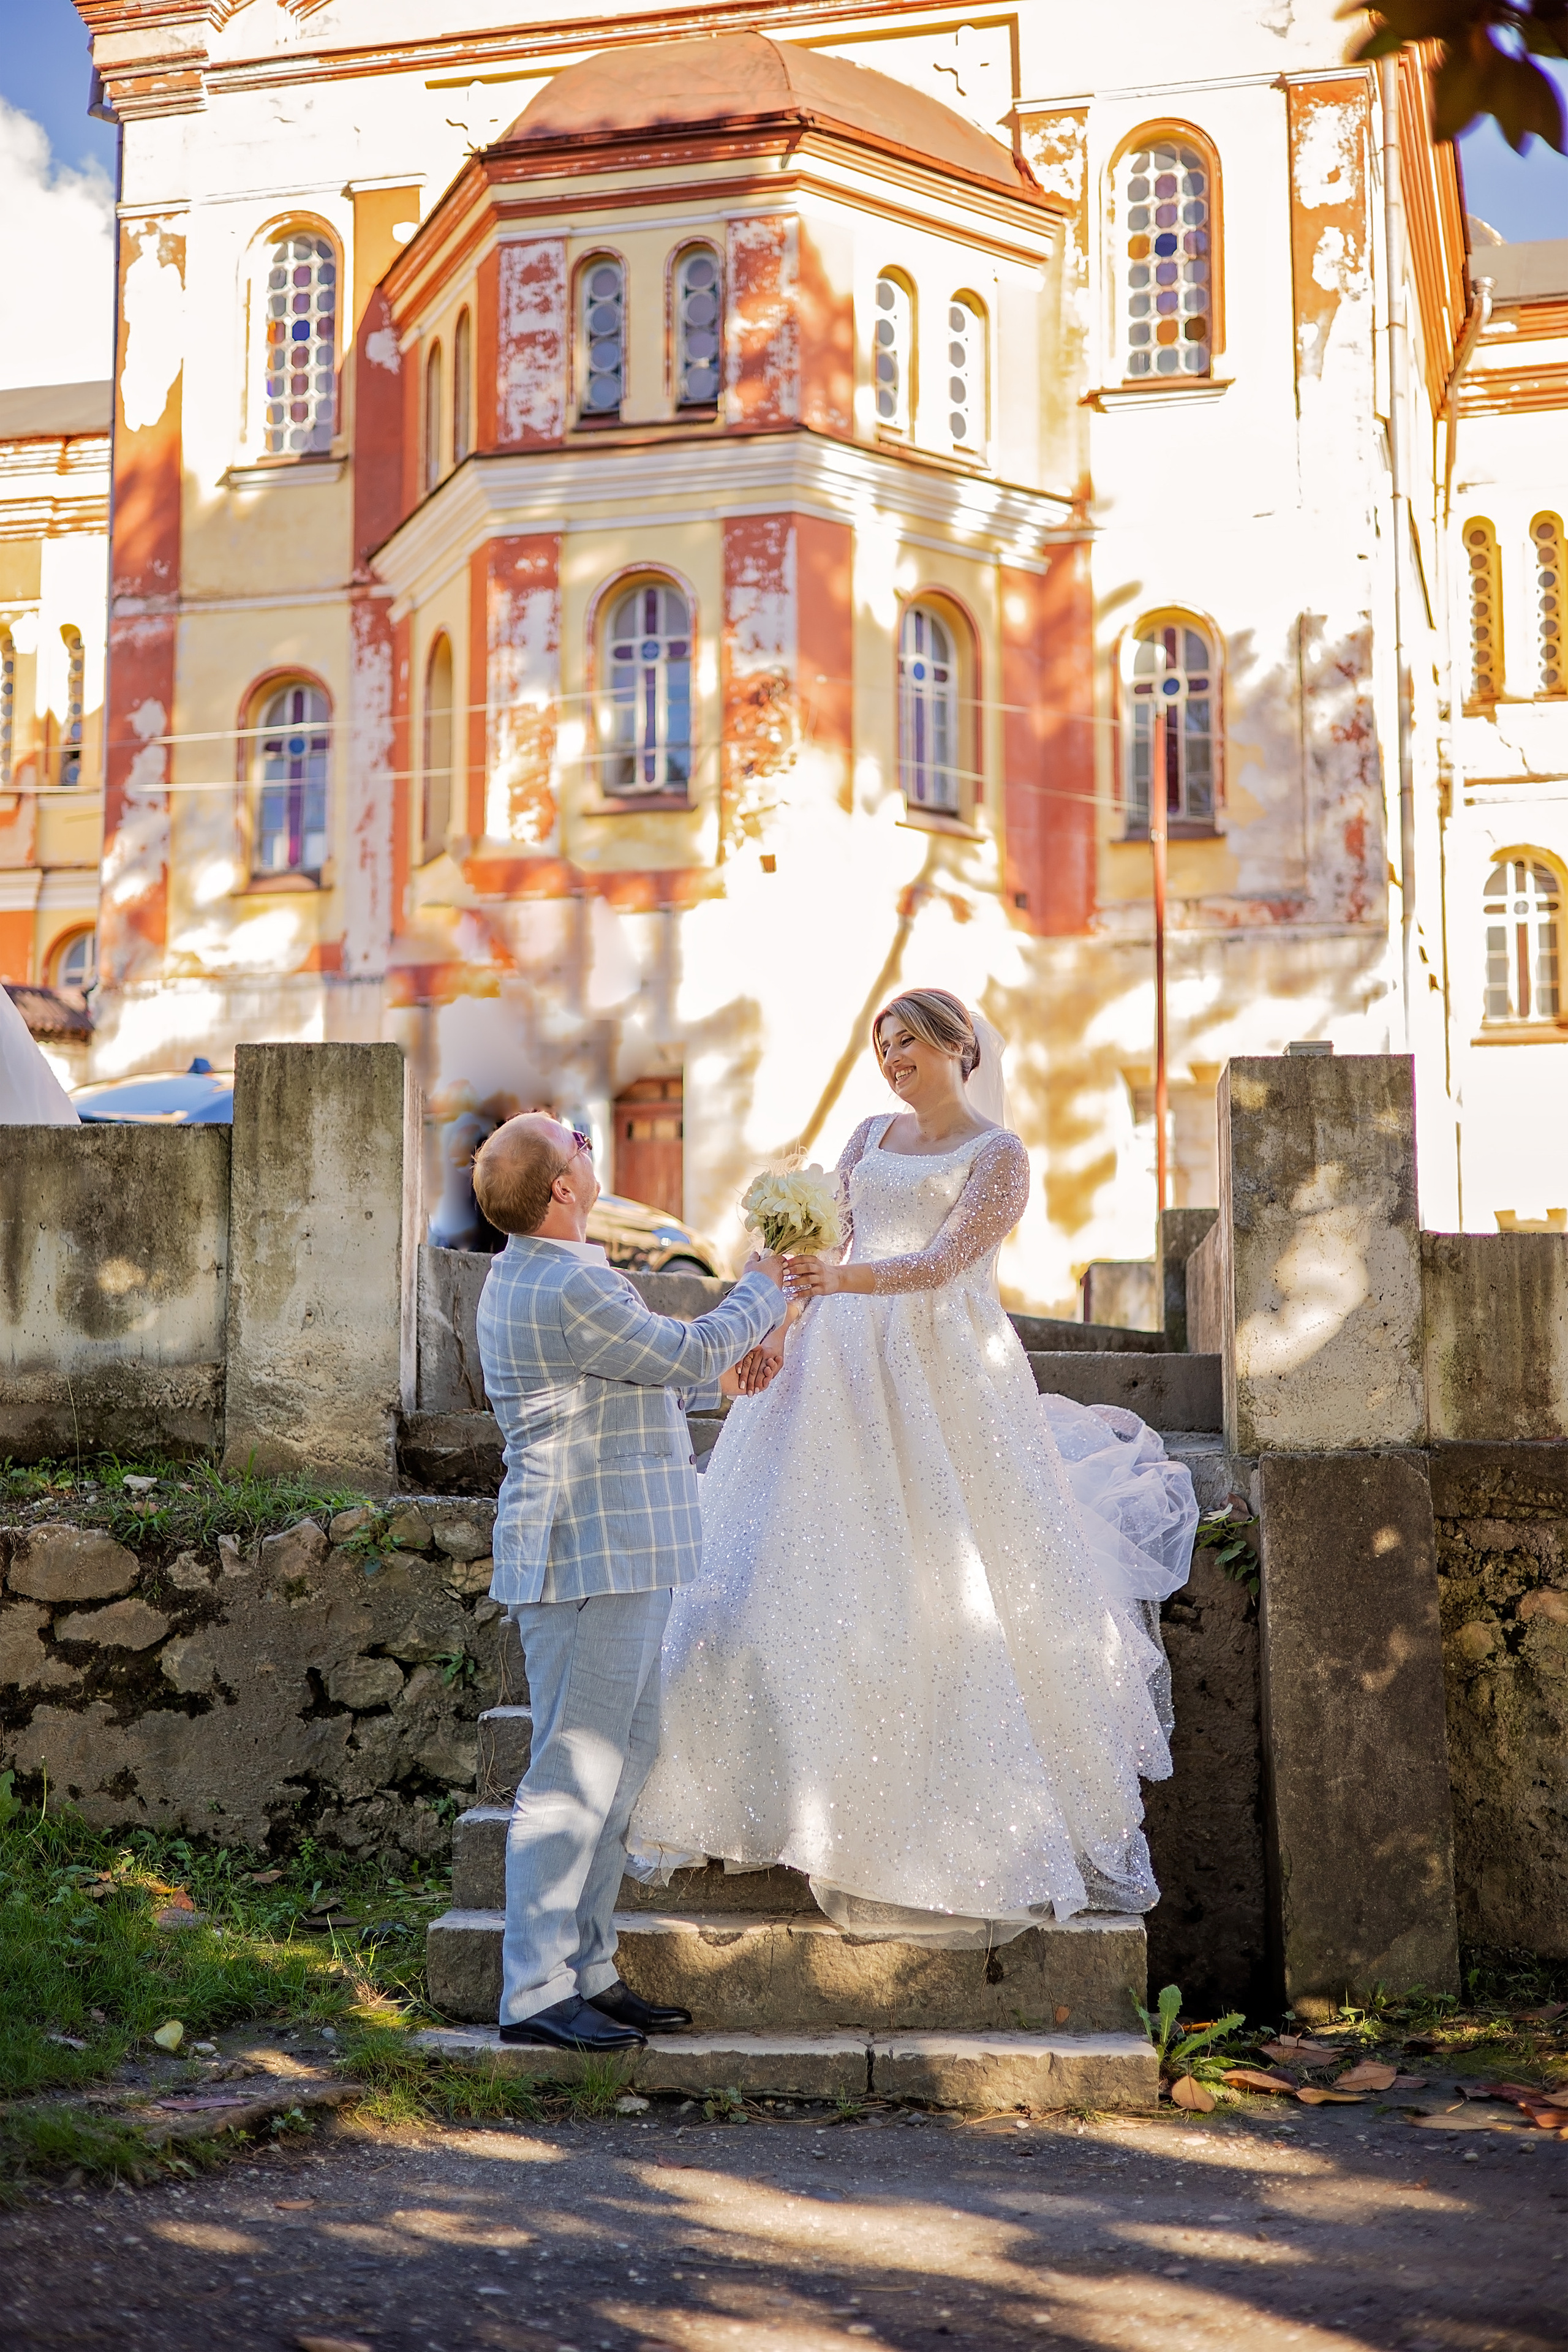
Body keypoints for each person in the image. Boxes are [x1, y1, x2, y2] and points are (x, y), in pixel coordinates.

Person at [631, 990, 1197, 1943]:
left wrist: (838, 1280)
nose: (892, 1059)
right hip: (838, 1360)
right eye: (882, 1045)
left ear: (957, 1047)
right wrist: (779, 1328)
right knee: (791, 1555)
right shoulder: (866, 1135)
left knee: (941, 1567)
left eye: (907, 1043)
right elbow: (827, 1245)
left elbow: (941, 1263)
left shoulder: (1001, 1157)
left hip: (942, 1371)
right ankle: (756, 1786)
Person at [472, 1110, 786, 2051]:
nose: (585, 1141)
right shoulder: (563, 1280)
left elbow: (627, 1379)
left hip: (621, 1546)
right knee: (574, 1772)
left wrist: (714, 1381)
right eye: (573, 1139)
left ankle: (590, 1971)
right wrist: (763, 1288)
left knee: (624, 1761)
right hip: (586, 1551)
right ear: (564, 1187)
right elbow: (681, 1350)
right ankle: (532, 1994)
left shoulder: (557, 1273)